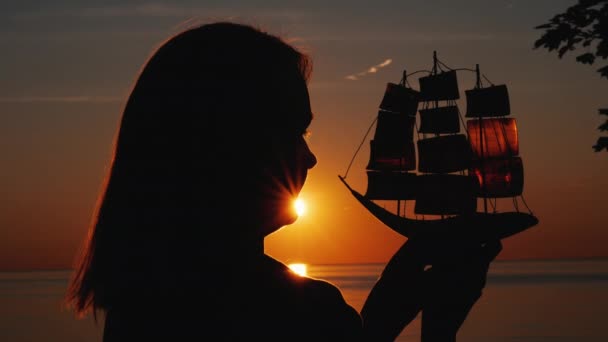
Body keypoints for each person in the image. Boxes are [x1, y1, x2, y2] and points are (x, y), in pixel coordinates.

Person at [66, 22, 501, 341]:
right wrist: (440, 327)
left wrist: (384, 313)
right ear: (230, 141)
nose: (309, 157)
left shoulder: (140, 306)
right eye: (294, 131)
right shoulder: (301, 313)